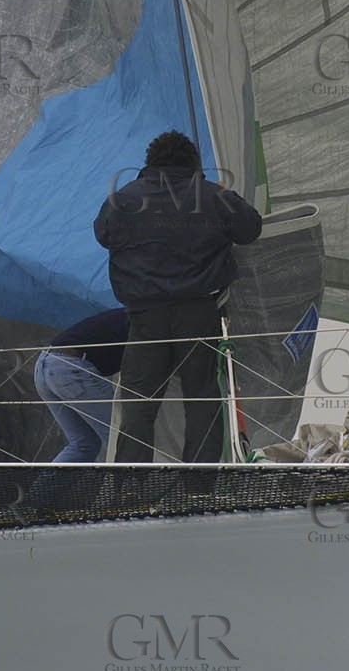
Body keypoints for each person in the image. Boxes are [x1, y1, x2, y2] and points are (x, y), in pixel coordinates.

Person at [94, 130, 262, 464]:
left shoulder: (124, 199)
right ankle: (199, 487)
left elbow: (103, 234)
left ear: (150, 162)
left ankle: (130, 490)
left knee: (139, 404)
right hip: (199, 312)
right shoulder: (213, 196)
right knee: (202, 398)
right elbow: (250, 229)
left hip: (144, 317)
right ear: (193, 163)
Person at [34, 308, 128, 462]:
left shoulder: (124, 314)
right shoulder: (142, 321)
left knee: (84, 444)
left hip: (45, 365)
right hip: (72, 368)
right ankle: (129, 486)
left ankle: (42, 487)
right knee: (121, 439)